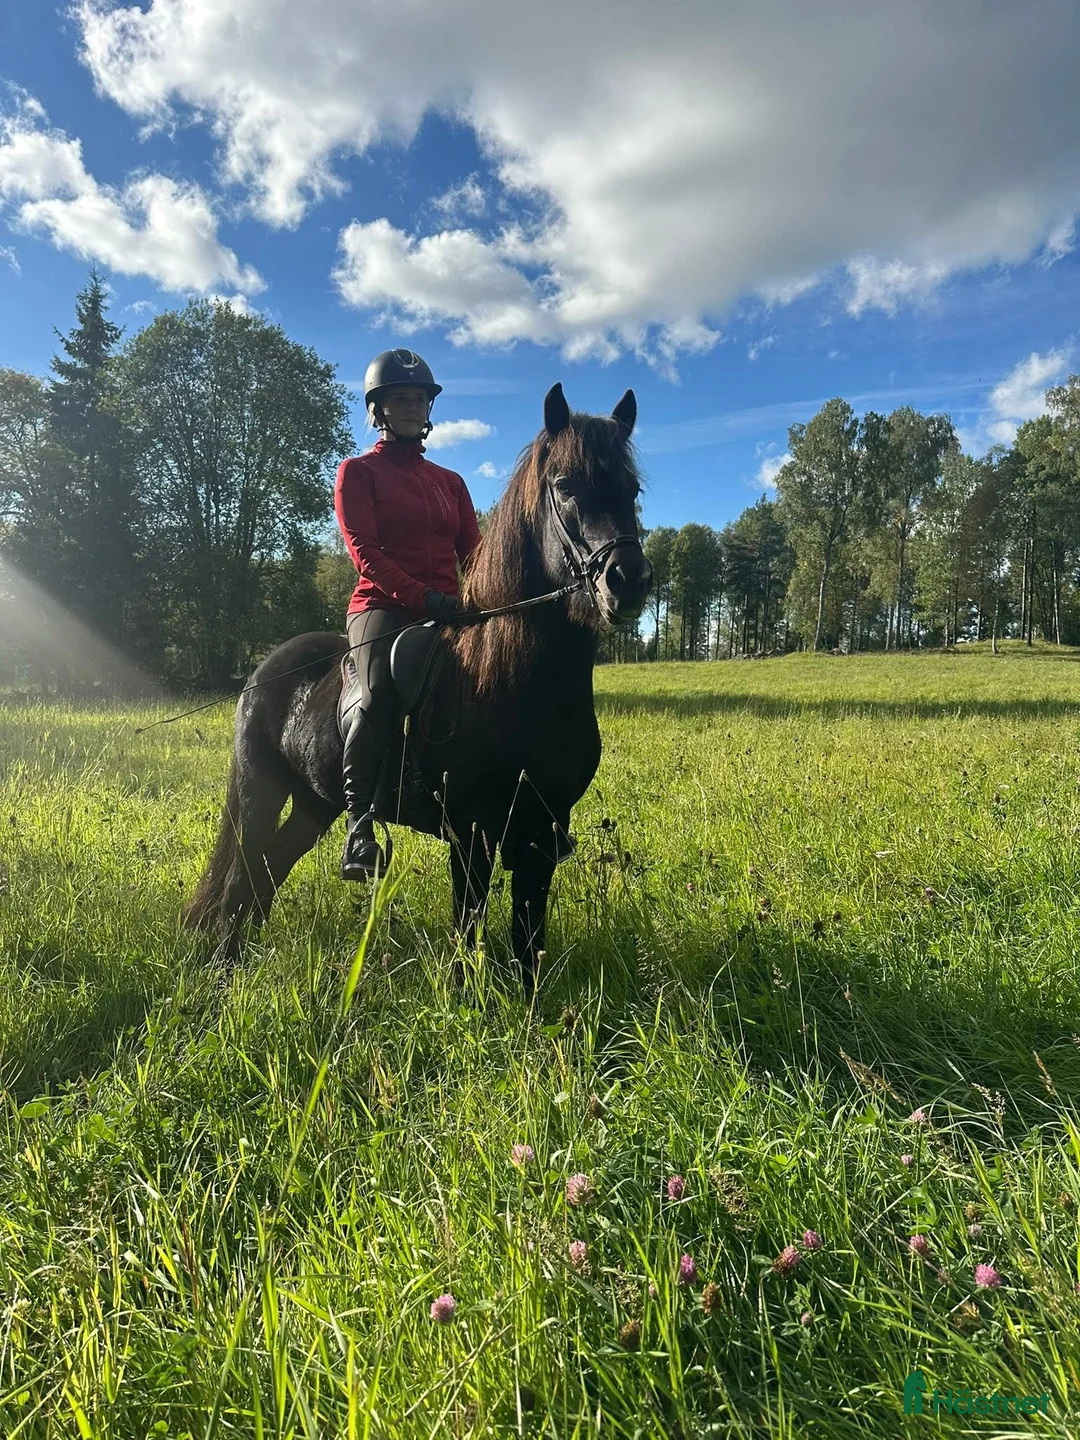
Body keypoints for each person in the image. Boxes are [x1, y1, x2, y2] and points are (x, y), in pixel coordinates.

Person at [333, 348, 482, 879]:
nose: (414, 407)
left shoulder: (450, 482)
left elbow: (474, 553)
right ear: (379, 410)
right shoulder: (358, 473)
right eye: (402, 399)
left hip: (450, 610)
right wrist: (424, 598)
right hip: (382, 606)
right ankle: (359, 827)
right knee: (377, 695)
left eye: (420, 399)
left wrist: (486, 599)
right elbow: (365, 552)